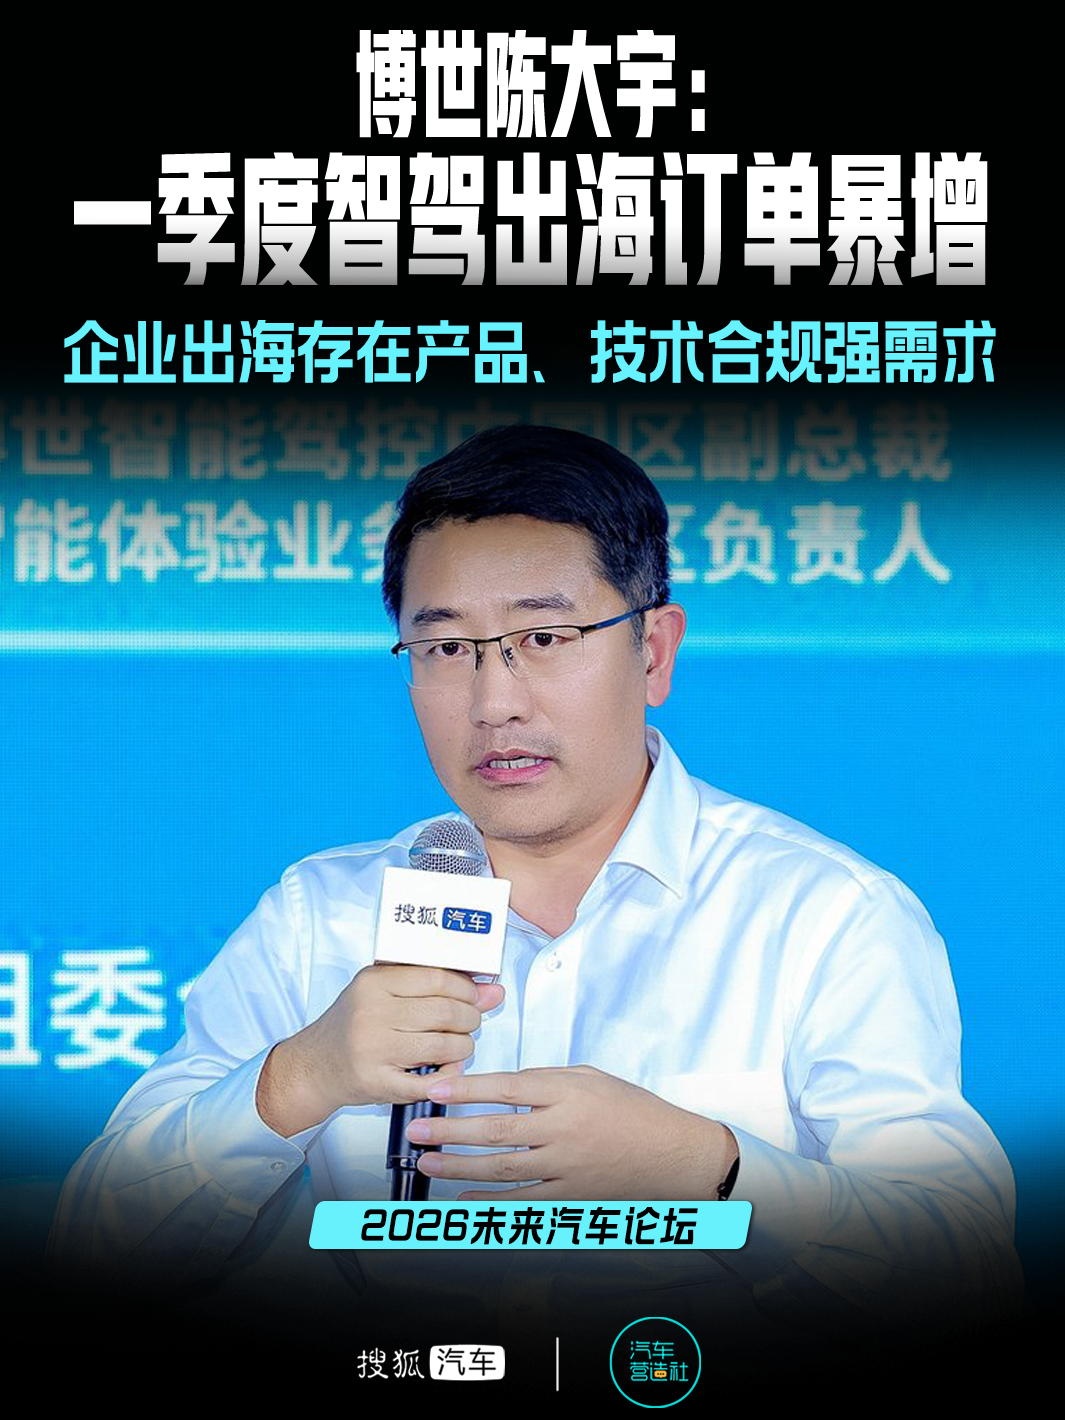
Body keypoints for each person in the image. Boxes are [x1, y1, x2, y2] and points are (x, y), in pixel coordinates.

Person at [49, 425, 1022, 1353]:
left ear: (653, 651)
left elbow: (964, 1267)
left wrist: (712, 1171)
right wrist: (299, 1079)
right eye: (446, 649)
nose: (494, 701)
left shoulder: (822, 914)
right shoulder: (321, 918)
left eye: (545, 638)